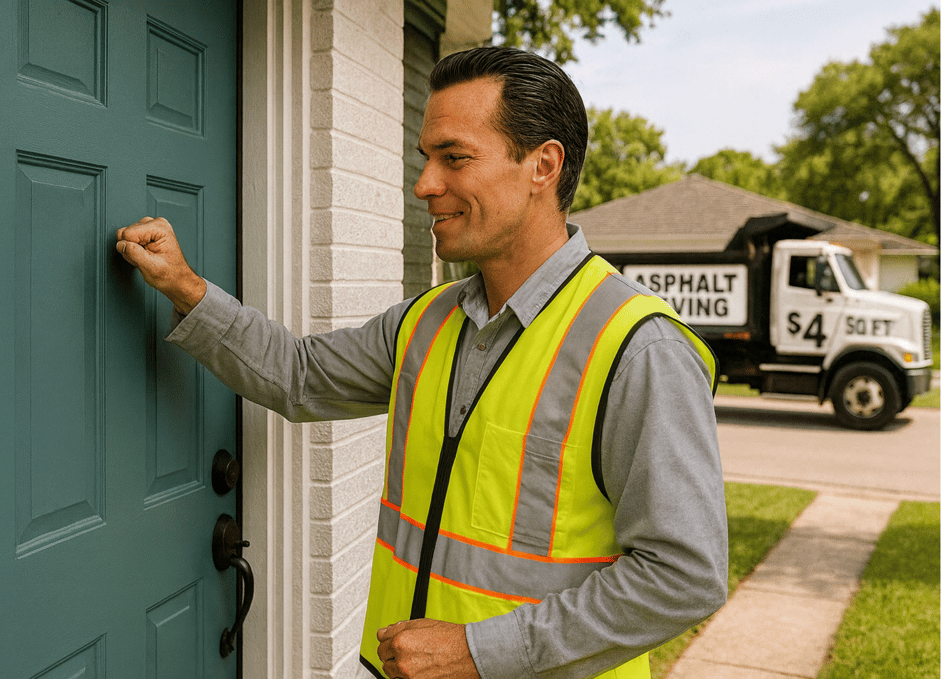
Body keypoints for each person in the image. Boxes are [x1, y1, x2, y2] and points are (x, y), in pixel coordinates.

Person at [116, 46, 728, 679]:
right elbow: (298, 376)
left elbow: (683, 577)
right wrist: (186, 287)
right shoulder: (424, 322)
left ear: (543, 165)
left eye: (454, 158)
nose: (425, 185)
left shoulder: (640, 349)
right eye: (425, 158)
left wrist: (478, 651)